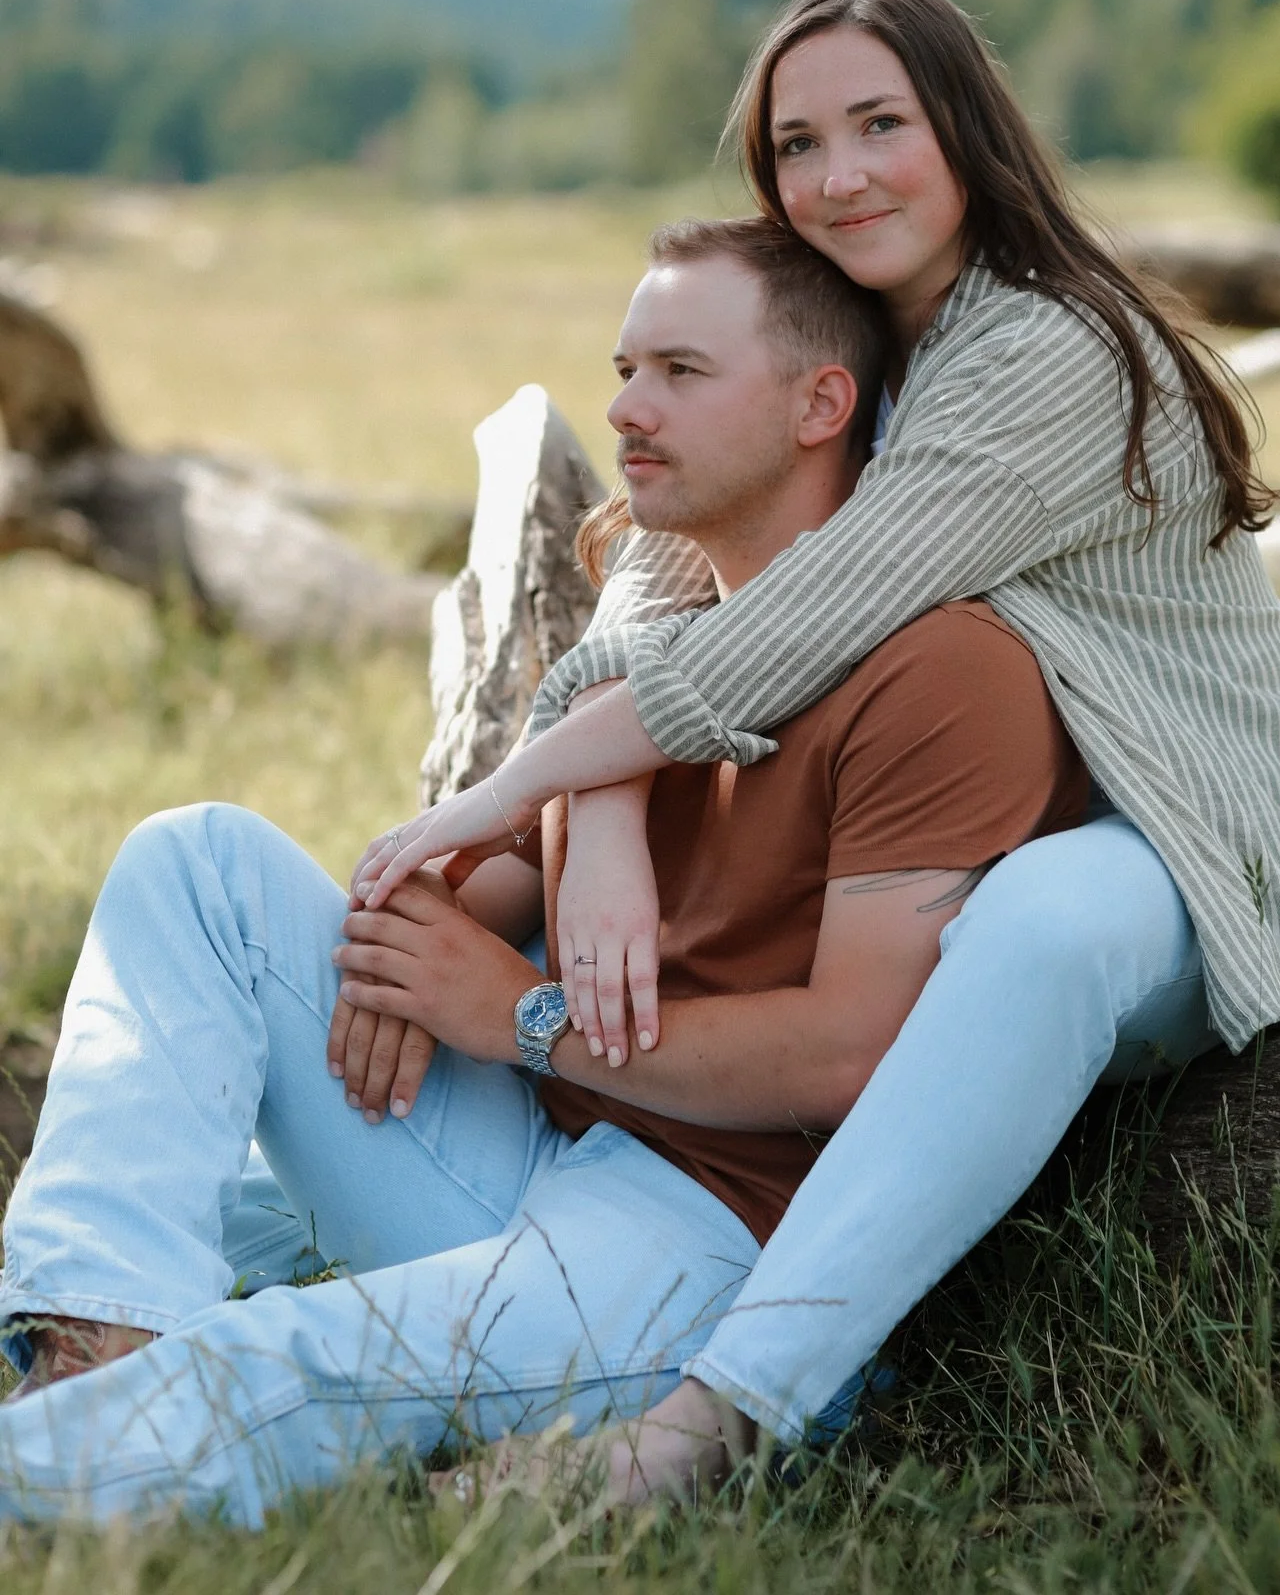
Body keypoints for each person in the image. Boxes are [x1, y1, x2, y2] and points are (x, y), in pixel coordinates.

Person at [358, 0, 1280, 1500]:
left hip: (1169, 847)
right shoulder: (858, 337)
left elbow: (804, 617)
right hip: (967, 823)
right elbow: (657, 562)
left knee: (1038, 920)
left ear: (963, 130)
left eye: (879, 125)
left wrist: (536, 777)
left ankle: (715, 1425)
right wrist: (609, 814)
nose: (837, 178)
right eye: (797, 144)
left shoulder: (1041, 356)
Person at [0, 218, 1086, 1524]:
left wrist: (515, 1018)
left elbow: (847, 1061)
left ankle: (53, 1472)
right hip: (533, 1150)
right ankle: (85, 1346)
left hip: (712, 1244)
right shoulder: (653, 644)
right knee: (201, 862)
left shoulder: (944, 671)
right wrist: (410, 940)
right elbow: (489, 887)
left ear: (822, 404)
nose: (627, 408)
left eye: (680, 373)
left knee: (284, 1359)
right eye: (625, 368)